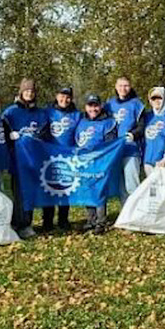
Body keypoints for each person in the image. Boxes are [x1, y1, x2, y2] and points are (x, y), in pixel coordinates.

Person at [2, 78, 48, 238]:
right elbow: (2, 133)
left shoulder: (40, 113)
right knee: (19, 193)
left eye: (32, 91)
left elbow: (45, 134)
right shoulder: (10, 112)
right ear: (21, 92)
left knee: (30, 193)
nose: (29, 93)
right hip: (17, 160)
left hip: (34, 160)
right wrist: (9, 137)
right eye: (27, 90)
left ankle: (26, 223)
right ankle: (19, 223)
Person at [74, 93, 118, 234]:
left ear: (100, 106)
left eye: (96, 106)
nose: (93, 109)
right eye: (90, 106)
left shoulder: (108, 123)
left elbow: (110, 145)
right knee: (88, 191)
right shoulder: (82, 122)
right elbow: (77, 141)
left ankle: (101, 222)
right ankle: (91, 220)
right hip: (85, 163)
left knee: (99, 192)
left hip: (100, 163)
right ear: (86, 107)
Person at [41, 85, 80, 232]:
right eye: (62, 96)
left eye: (68, 97)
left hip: (68, 158)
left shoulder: (77, 115)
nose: (65, 99)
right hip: (49, 158)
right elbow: (41, 131)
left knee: (65, 189)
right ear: (57, 97)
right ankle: (47, 221)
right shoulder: (48, 112)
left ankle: (63, 220)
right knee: (49, 189)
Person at [105, 76, 145, 198]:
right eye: (120, 85)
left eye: (126, 85)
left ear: (130, 87)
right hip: (115, 151)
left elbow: (142, 126)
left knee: (132, 186)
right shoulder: (109, 104)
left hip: (130, 150)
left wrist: (133, 134)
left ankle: (137, 209)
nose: (123, 88)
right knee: (121, 187)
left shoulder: (137, 104)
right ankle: (126, 210)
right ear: (116, 87)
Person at [138, 86, 165, 176]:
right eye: (153, 98)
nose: (156, 101)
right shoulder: (147, 116)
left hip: (164, 162)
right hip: (148, 162)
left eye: (159, 98)